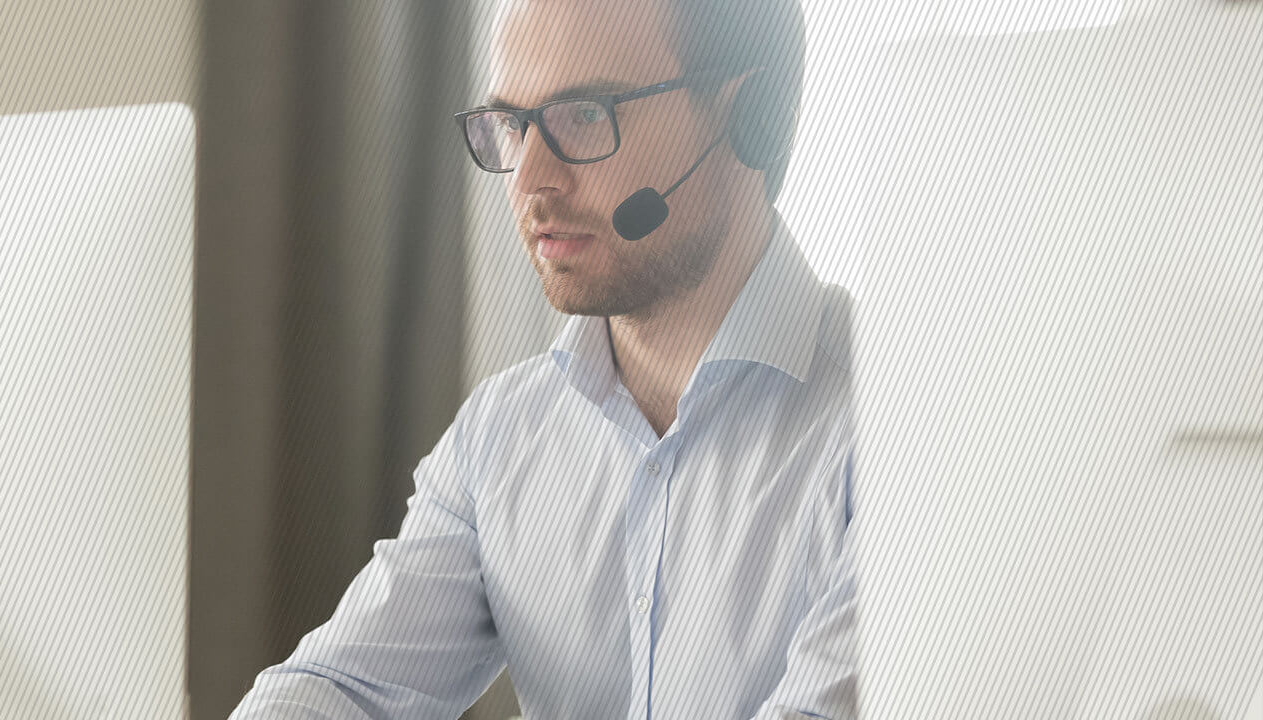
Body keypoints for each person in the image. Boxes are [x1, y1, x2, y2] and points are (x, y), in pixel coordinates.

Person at [231, 0, 855, 718]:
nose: (530, 179)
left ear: (753, 116)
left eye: (585, 115)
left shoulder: (894, 428)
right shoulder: (502, 436)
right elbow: (343, 687)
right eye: (511, 125)